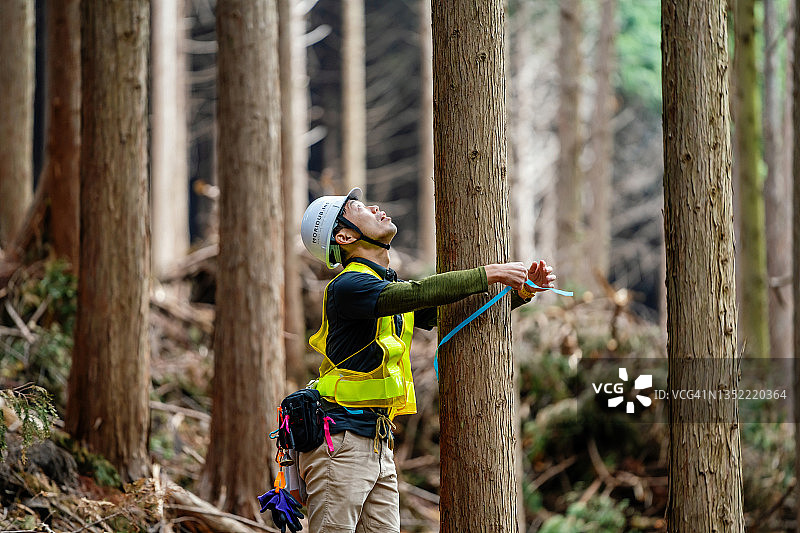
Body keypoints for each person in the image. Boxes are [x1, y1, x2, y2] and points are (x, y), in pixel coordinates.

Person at [298, 188, 556, 533]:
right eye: (358, 207)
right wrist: (489, 273)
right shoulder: (349, 287)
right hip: (340, 441)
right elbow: (418, 293)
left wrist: (520, 294)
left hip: (376, 442)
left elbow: (442, 314)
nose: (375, 208)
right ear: (344, 235)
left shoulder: (381, 286)